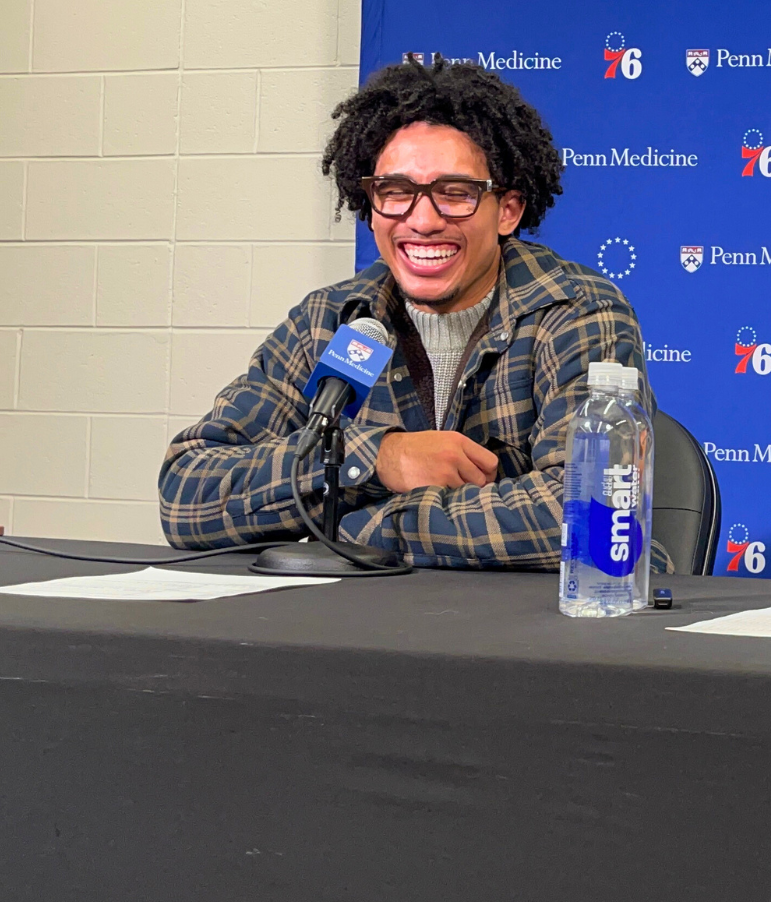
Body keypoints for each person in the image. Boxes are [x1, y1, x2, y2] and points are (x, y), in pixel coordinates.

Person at [160, 57, 652, 567]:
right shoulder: (330, 320)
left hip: (526, 635)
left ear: (508, 210)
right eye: (395, 193)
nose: (421, 220)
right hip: (364, 628)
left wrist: (359, 526)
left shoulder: (577, 314)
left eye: (455, 194)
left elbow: (594, 516)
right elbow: (185, 496)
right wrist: (380, 458)